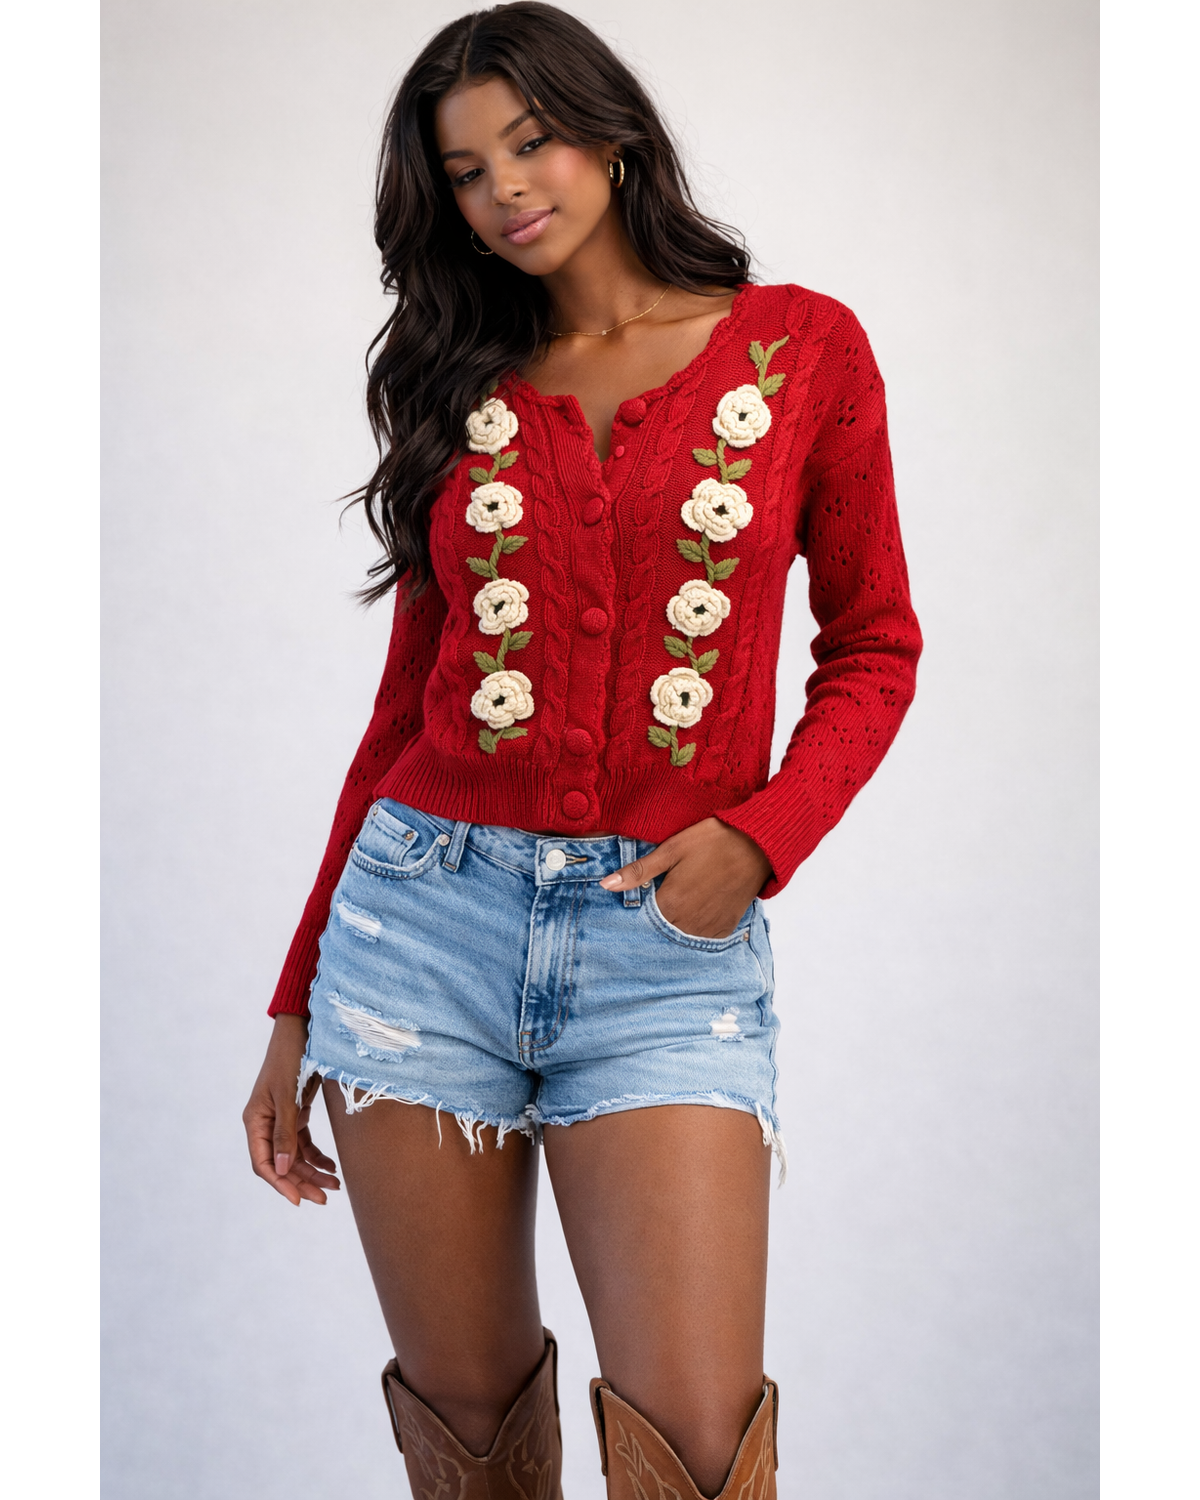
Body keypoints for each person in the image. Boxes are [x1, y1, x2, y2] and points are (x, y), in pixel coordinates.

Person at [242, 5, 922, 1497]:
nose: (506, 187)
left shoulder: (801, 349)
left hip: (661, 956)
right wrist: (295, 1004)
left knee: (698, 1451)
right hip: (416, 939)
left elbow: (876, 645)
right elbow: (401, 719)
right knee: (470, 1441)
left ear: (610, 136)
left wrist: (761, 838)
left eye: (531, 140)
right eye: (465, 169)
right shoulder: (459, 383)